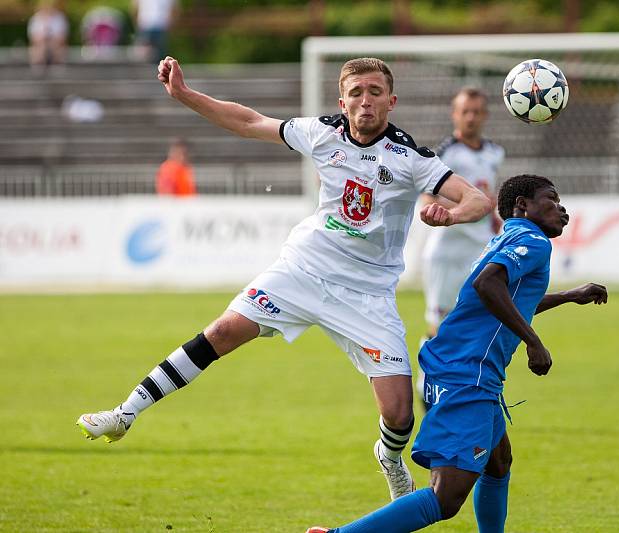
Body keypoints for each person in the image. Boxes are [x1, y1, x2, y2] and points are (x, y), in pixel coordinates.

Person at [76, 56, 492, 502]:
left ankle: (389, 459)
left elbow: (477, 200)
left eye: (374, 92)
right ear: (342, 100)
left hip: (367, 293)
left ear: (391, 101)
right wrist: (184, 94)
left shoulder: (411, 158)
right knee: (221, 331)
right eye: (356, 92)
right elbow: (249, 121)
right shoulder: (321, 132)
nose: (365, 101)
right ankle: (125, 412)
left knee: (399, 411)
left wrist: (449, 215)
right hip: (303, 269)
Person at [307, 174, 608, 533]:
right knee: (445, 498)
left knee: (498, 462)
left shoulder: (506, 237)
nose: (562, 210)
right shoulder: (533, 241)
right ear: (522, 205)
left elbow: (505, 297)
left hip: (456, 364)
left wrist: (568, 295)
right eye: (552, 199)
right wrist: (533, 341)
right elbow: (487, 286)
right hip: (468, 374)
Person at [418, 86, 504, 410]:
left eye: (477, 111)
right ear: (455, 114)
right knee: (439, 326)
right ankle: (427, 386)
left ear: (485, 115)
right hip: (447, 252)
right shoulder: (445, 153)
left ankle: (469, 390)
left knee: (480, 320)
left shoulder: (495, 152)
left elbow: (488, 194)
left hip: (481, 248)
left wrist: (494, 218)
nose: (470, 117)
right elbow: (427, 196)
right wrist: (440, 209)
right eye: (464, 111)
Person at [27, 0, 69, 70]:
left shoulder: (60, 18)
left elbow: (62, 37)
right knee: (40, 49)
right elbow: (33, 38)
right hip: (40, 45)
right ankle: (39, 69)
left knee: (56, 48)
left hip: (56, 45)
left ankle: (55, 69)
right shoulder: (35, 18)